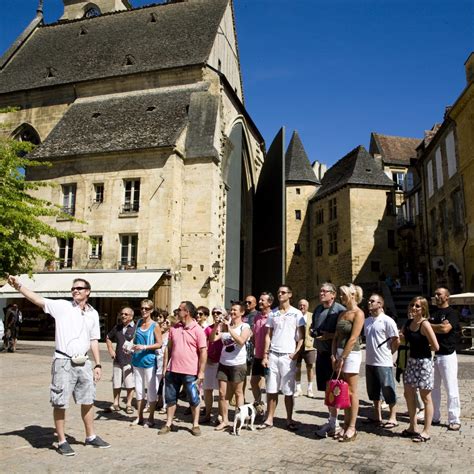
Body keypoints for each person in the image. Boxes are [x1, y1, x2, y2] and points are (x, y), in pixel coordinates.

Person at [7, 275, 110, 456]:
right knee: (60, 402)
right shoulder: (62, 306)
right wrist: (18, 286)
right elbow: (37, 299)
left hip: (84, 362)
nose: (75, 291)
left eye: (79, 288)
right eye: (73, 288)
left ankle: (90, 436)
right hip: (63, 361)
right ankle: (62, 440)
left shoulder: (93, 313)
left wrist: (98, 364)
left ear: (88, 292)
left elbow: (94, 340)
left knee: (88, 400)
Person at [259, 285, 305, 431]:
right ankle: (269, 418)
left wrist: (296, 353)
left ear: (290, 295)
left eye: (283, 292)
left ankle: (289, 419)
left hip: (288, 356)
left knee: (288, 390)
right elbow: (268, 335)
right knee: (271, 389)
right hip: (273, 355)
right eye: (278, 292)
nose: (280, 294)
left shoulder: (297, 313)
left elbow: (301, 336)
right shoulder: (273, 314)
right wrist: (265, 355)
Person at [159, 301, 207, 436]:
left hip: (190, 372)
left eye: (180, 310)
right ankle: (168, 423)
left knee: (193, 398)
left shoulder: (198, 330)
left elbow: (203, 352)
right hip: (173, 370)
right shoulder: (174, 328)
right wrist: (165, 367)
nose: (177, 312)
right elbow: (168, 349)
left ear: (187, 312)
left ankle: (195, 424)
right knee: (170, 398)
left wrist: (201, 372)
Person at [401, 296, 439, 442]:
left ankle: (426, 431)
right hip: (411, 362)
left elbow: (435, 346)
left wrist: (423, 347)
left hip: (424, 363)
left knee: (425, 397)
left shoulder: (425, 324)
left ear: (423, 309)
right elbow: (405, 339)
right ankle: (413, 426)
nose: (414, 308)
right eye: (412, 305)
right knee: (408, 393)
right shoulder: (409, 323)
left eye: (417, 306)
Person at [310, 282, 346, 437]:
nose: (321, 293)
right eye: (320, 291)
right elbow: (313, 326)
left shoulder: (340, 310)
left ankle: (337, 422)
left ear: (333, 294)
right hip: (321, 353)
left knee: (336, 389)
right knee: (327, 389)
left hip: (334, 355)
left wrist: (328, 336)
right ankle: (331, 421)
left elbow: (344, 333)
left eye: (325, 291)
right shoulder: (317, 309)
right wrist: (313, 332)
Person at [210, 302, 251, 431]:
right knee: (222, 394)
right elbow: (212, 339)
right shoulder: (224, 326)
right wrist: (217, 325)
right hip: (224, 363)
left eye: (235, 310)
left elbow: (241, 341)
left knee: (238, 393)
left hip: (238, 364)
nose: (232, 312)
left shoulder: (245, 326)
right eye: (231, 310)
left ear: (242, 312)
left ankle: (239, 420)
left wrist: (229, 328)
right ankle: (225, 420)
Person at [331, 283, 364, 442]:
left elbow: (353, 338)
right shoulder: (342, 313)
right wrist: (333, 355)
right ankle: (345, 423)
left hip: (351, 354)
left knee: (351, 391)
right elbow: (336, 336)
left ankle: (352, 426)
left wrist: (343, 358)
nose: (341, 297)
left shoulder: (358, 313)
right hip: (339, 353)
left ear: (352, 295)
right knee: (343, 391)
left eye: (343, 294)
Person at [364, 293, 400, 427]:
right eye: (369, 300)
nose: (369, 303)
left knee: (388, 389)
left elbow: (396, 340)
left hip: (383, 361)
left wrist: (390, 353)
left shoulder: (387, 321)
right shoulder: (367, 321)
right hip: (369, 361)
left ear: (380, 304)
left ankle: (393, 417)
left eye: (372, 301)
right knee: (373, 391)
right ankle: (377, 416)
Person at [430, 287, 462, 431]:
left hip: (448, 355)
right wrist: (434, 326)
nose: (436, 296)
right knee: (433, 388)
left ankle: (454, 418)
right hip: (433, 355)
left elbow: (445, 329)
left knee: (451, 388)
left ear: (447, 297)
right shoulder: (433, 313)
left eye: (439, 294)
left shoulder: (452, 313)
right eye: (435, 294)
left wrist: (428, 326)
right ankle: (434, 416)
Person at [131, 300, 163, 427]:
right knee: (138, 389)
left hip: (149, 360)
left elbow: (159, 343)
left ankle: (151, 418)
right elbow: (134, 339)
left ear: (151, 310)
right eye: (142, 308)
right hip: (136, 360)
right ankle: (139, 417)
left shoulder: (155, 325)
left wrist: (144, 347)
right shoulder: (138, 322)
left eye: (146, 308)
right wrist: (130, 347)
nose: (144, 311)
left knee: (151, 389)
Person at [105, 307, 136, 414]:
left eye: (126, 314)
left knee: (129, 384)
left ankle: (128, 404)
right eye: (122, 314)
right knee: (116, 383)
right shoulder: (117, 327)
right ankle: (116, 403)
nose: (123, 316)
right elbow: (108, 337)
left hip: (130, 360)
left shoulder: (136, 328)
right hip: (117, 360)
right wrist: (111, 350)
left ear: (131, 316)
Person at [201, 306, 225, 424]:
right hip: (210, 362)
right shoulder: (208, 329)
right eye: (214, 312)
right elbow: (207, 342)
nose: (216, 314)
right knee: (207, 389)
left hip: (222, 363)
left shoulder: (226, 328)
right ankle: (207, 413)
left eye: (218, 312)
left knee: (222, 391)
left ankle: (221, 415)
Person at [250, 292, 273, 411]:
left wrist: (268, 353)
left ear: (269, 303)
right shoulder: (257, 317)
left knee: (270, 385)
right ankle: (259, 403)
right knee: (253, 381)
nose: (260, 302)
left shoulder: (273, 316)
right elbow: (254, 334)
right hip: (257, 355)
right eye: (259, 300)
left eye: (262, 300)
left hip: (269, 356)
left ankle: (269, 411)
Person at [294, 299, 316, 398]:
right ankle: (298, 388)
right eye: (300, 305)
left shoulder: (312, 316)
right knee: (296, 367)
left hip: (309, 345)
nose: (302, 307)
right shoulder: (295, 315)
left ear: (308, 306)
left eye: (304, 305)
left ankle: (310, 388)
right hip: (296, 345)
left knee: (310, 366)